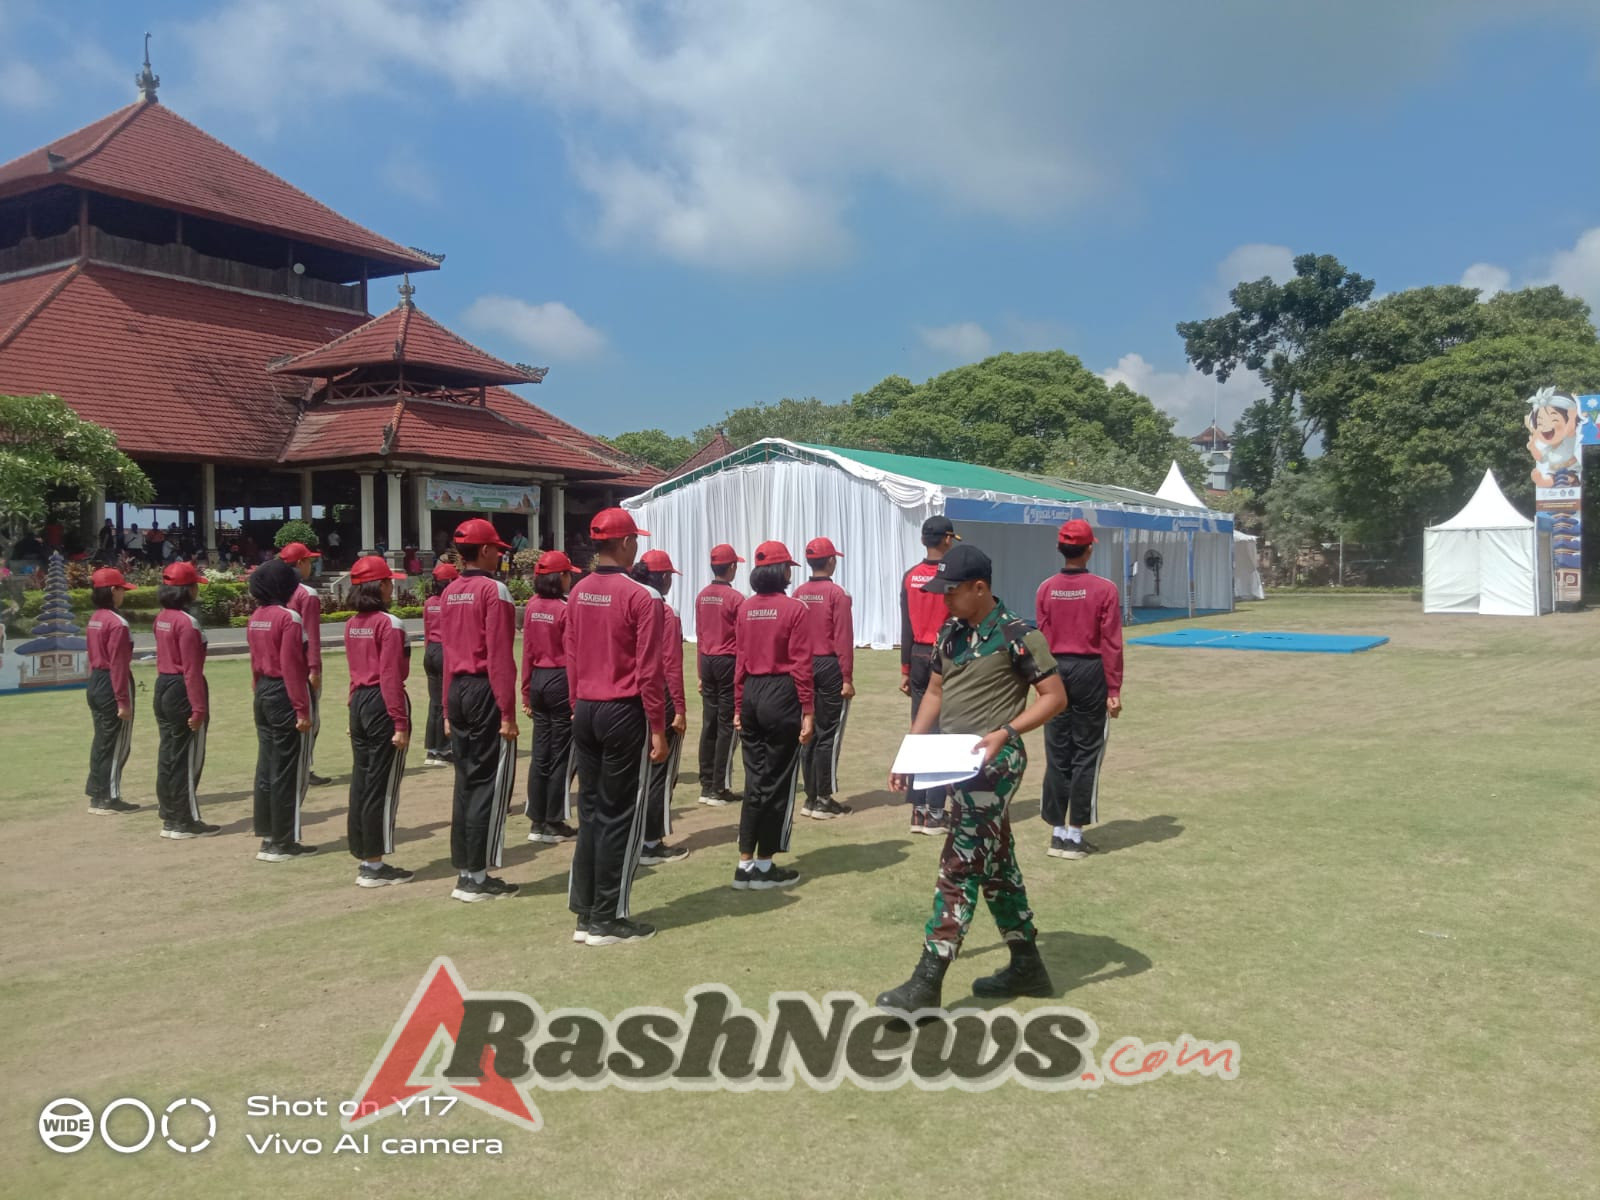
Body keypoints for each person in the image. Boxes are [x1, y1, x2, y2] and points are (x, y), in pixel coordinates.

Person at [876, 543, 1067, 1011]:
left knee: (959, 865)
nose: (944, 599)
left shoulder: (1019, 634)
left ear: (979, 588)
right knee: (997, 864)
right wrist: (910, 750)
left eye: (952, 591)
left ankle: (927, 981)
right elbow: (936, 692)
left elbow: (1054, 697)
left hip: (995, 764)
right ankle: (1027, 964)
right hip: (954, 759)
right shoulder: (952, 631)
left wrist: (1006, 731)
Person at [564, 507, 668, 946]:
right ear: (625, 544)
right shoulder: (642, 596)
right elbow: (649, 670)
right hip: (622, 709)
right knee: (619, 814)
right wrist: (659, 728)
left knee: (591, 810)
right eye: (635, 540)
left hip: (585, 706)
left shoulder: (579, 591)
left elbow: (571, 654)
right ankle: (608, 915)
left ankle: (587, 911)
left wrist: (575, 705)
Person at [440, 518, 520, 902]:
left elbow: (444, 654)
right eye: (498, 550)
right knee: (488, 782)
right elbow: (500, 656)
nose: (500, 556)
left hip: (455, 688)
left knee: (465, 782)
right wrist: (507, 712)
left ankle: (465, 869)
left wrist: (443, 707)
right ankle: (478, 874)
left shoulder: (449, 592)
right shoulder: (495, 592)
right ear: (486, 551)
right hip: (483, 688)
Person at [1035, 518, 1124, 860]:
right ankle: (1074, 833)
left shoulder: (1046, 588)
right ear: (1089, 549)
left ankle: (1057, 832)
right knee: (1086, 751)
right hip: (1089, 671)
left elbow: (1039, 640)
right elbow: (1111, 643)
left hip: (1054, 670)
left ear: (1061, 548)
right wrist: (1113, 687)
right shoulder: (1104, 589)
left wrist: (1040, 682)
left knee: (1058, 750)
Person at [731, 541, 815, 891]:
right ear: (782, 572)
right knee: (778, 780)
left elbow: (740, 659)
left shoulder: (745, 608)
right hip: (781, 694)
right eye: (788, 568)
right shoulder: (794, 609)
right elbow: (800, 664)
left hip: (751, 693)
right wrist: (808, 711)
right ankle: (765, 865)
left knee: (755, 780)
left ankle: (744, 863)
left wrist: (738, 706)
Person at [344, 554, 416, 888]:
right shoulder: (389, 624)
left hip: (360, 701)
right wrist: (399, 723)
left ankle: (363, 854)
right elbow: (391, 675)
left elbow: (354, 672)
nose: (392, 588)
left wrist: (351, 709)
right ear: (381, 585)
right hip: (382, 703)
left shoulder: (352, 624)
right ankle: (374, 864)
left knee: (362, 781)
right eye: (389, 582)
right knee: (381, 786)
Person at [247, 558, 317, 862]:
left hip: (263, 691)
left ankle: (266, 833)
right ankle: (283, 840)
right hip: (283, 693)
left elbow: (254, 660)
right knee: (285, 770)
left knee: (266, 764)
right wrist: (302, 708)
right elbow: (292, 665)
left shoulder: (256, 616)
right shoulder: (289, 618)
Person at [631, 549, 691, 866]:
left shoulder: (630, 600)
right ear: (665, 577)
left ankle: (636, 835)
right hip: (660, 697)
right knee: (661, 773)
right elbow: (670, 664)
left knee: (638, 772)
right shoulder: (665, 611)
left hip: (631, 698)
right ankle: (651, 841)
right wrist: (679, 708)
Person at [901, 515, 960, 836]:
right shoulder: (951, 576)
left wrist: (905, 669)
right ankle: (936, 811)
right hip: (945, 656)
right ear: (947, 539)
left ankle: (918, 809)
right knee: (940, 732)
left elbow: (906, 624)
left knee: (919, 729)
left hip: (918, 656)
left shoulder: (910, 576)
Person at [152, 561, 219, 838]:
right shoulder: (187, 622)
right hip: (183, 687)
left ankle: (169, 813)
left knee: (169, 753)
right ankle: (184, 819)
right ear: (188, 589)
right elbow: (192, 668)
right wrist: (199, 707)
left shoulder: (162, 618)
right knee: (187, 757)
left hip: (163, 684)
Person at [520, 551, 580, 845]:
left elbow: (527, 649)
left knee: (540, 753)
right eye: (569, 573)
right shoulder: (564, 609)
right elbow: (572, 655)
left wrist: (525, 690)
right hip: (559, 680)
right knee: (560, 754)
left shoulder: (532, 607)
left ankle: (537, 819)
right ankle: (554, 820)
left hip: (539, 680)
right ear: (561, 577)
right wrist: (575, 699)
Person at [795, 536, 854, 821]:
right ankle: (823, 798)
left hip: (803, 665)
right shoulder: (837, 594)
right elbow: (843, 637)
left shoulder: (798, 592)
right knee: (828, 733)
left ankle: (810, 796)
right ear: (831, 561)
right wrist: (847, 677)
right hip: (829, 664)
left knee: (809, 732)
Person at [84, 567, 141, 815]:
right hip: (111, 681)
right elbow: (118, 664)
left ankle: (97, 792)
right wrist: (122, 700)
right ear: (112, 591)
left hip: (96, 680)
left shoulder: (95, 618)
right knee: (117, 742)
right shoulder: (117, 623)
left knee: (102, 740)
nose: (123, 594)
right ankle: (109, 796)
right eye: (121, 589)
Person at [695, 543, 745, 806]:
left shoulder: (702, 595)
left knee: (709, 723)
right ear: (733, 567)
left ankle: (706, 784)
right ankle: (719, 786)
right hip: (727, 661)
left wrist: (700, 672)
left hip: (708, 660)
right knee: (727, 724)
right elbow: (742, 639)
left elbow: (700, 634)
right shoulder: (736, 599)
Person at [279, 542, 331, 786]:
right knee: (310, 719)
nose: (311, 565)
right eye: (309, 561)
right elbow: (313, 635)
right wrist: (315, 668)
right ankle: (304, 767)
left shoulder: (274, 590)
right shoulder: (306, 594)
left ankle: (291, 766)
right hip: (301, 666)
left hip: (278, 667)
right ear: (300, 564)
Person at [422, 561, 457, 766]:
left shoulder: (429, 603)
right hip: (445, 650)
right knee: (445, 702)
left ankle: (432, 750)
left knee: (434, 702)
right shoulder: (449, 602)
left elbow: (427, 632)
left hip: (431, 651)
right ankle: (444, 749)